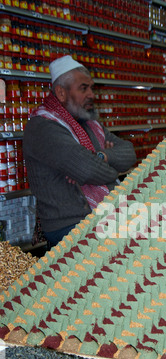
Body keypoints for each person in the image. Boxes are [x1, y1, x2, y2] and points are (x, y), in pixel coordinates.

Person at [23, 55, 136, 247]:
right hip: (69, 227)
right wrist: (108, 167)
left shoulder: (90, 125)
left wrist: (101, 156)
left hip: (100, 215)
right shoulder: (44, 127)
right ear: (61, 92)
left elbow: (130, 153)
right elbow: (89, 170)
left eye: (91, 87)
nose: (91, 94)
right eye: (83, 88)